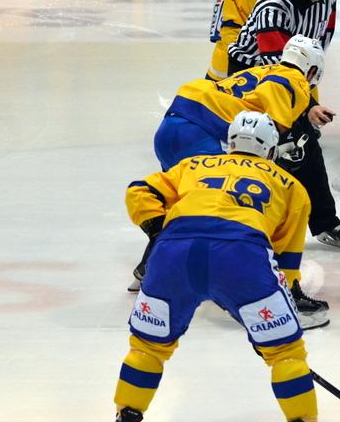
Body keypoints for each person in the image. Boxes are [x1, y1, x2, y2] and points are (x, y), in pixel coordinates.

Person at [116, 111, 318, 422]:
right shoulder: (292, 187)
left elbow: (139, 190)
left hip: (173, 253)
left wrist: (159, 231)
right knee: (285, 353)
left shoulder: (191, 164)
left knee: (147, 347)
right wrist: (271, 330)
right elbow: (286, 261)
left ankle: (127, 412)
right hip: (241, 255)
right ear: (271, 148)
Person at [147, 35, 331, 328]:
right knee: (230, 207)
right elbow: (269, 138)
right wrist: (284, 150)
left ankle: (151, 266)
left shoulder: (262, 69)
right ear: (311, 71)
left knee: (183, 203)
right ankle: (263, 288)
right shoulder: (293, 81)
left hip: (172, 125)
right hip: (200, 134)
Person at [229, 0, 340, 252]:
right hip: (252, 76)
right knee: (279, 145)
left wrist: (308, 95)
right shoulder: (273, 5)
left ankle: (323, 221)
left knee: (304, 142)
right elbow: (276, 71)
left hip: (295, 74)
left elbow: (320, 43)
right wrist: (308, 105)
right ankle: (258, 223)